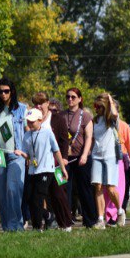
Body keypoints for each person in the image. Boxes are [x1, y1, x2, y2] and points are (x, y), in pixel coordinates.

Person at [0, 78, 29, 231]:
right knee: (2, 193)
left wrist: (27, 153)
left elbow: (28, 131)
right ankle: (6, 227)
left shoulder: (22, 109)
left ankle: (16, 225)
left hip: (15, 154)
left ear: (12, 91)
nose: (3, 94)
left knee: (13, 189)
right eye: (0, 92)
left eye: (6, 91)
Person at [17, 106, 69, 231]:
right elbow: (28, 155)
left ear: (40, 120)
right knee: (29, 198)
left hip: (46, 170)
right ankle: (48, 216)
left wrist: (63, 168)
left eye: (32, 121)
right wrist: (21, 154)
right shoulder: (27, 135)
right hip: (33, 171)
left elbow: (56, 151)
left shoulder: (47, 132)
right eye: (28, 121)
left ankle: (36, 227)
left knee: (38, 198)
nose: (30, 123)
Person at [53, 87, 95, 228]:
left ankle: (90, 220)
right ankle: (66, 220)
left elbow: (89, 137)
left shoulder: (86, 116)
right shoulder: (61, 115)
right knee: (63, 189)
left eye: (73, 97)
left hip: (81, 158)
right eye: (68, 97)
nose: (70, 99)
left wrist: (84, 155)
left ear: (80, 99)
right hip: (65, 158)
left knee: (84, 190)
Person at [88, 93, 123, 229]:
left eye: (98, 106)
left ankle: (120, 211)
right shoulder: (94, 121)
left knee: (110, 188)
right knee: (97, 186)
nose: (95, 108)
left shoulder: (112, 120)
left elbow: (114, 113)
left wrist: (110, 101)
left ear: (104, 106)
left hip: (110, 156)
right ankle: (100, 219)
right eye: (94, 106)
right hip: (96, 156)